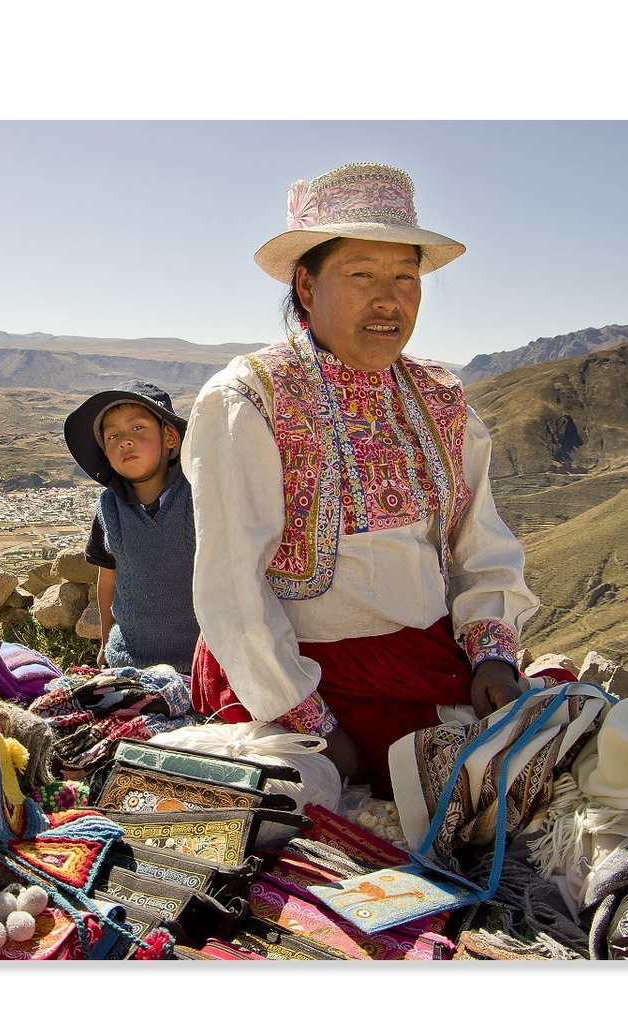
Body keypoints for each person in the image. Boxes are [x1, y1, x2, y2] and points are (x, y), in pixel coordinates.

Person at [181, 162, 541, 797]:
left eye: (406, 277)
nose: (389, 299)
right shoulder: (246, 400)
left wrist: (490, 652)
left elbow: (479, 542)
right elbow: (232, 586)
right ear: (306, 283)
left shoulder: (442, 400)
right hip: (292, 679)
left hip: (424, 668)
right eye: (362, 275)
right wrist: (312, 722)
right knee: (297, 810)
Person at [64, 379, 200, 674]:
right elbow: (109, 578)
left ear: (170, 438)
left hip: (198, 663)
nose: (124, 440)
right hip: (128, 660)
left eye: (138, 428)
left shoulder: (197, 498)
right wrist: (104, 642)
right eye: (112, 435)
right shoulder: (109, 509)